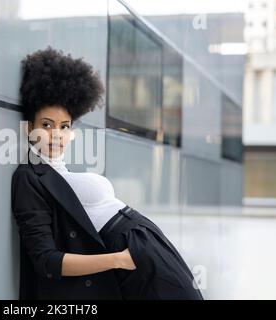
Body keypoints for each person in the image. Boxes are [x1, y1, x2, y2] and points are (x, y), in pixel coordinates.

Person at [11, 46, 203, 300]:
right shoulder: (29, 176)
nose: (57, 134)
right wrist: (118, 260)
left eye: (65, 126)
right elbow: (46, 260)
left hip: (145, 243)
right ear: (28, 129)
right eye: (47, 125)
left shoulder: (59, 168)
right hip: (128, 256)